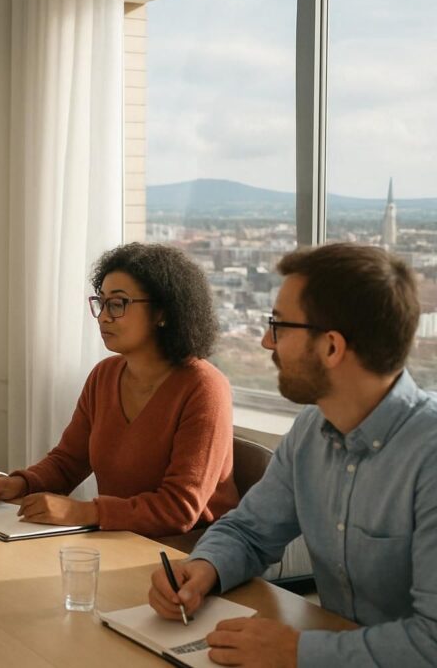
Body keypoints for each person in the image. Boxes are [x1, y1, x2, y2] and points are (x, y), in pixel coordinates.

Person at [149, 243, 437, 667]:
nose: (267, 341)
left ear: (332, 348)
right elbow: (249, 532)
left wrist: (295, 651)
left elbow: (431, 642)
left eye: (279, 326)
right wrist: (205, 568)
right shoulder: (310, 431)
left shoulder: (428, 456)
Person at [0, 243, 238, 538]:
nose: (103, 317)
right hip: (119, 538)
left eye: (118, 304)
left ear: (162, 312)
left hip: (189, 552)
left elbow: (179, 509)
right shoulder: (104, 375)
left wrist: (84, 512)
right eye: (102, 302)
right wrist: (19, 484)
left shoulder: (204, 387)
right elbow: (68, 462)